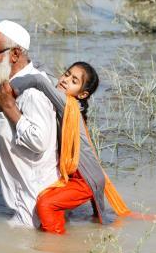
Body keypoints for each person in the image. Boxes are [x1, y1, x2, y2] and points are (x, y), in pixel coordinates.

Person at [10, 62, 135, 234]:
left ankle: (55, 247)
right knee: (100, 223)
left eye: (74, 80)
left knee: (46, 203)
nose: (66, 80)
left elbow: (39, 80)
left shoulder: (68, 104)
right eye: (66, 74)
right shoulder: (72, 104)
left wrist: (8, 89)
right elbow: (50, 79)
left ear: (82, 94)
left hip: (85, 179)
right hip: (89, 175)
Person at [0, 20, 59, 228]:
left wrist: (11, 108)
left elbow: (39, 141)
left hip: (34, 208)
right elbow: (6, 127)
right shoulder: (9, 85)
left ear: (15, 54)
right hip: (22, 203)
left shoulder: (33, 91)